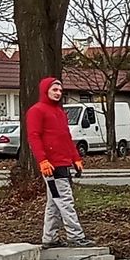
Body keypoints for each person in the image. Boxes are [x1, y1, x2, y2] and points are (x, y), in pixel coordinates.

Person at [27, 77, 94, 248]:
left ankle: (49, 238)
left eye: (60, 90)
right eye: (54, 90)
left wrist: (75, 158)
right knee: (65, 200)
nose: (58, 93)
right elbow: (34, 137)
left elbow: (66, 138)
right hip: (52, 166)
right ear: (45, 91)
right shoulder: (37, 111)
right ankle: (76, 236)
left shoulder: (59, 113)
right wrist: (42, 160)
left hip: (62, 163)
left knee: (54, 203)